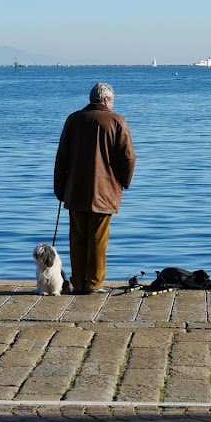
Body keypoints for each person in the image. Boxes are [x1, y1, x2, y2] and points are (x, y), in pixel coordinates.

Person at [53, 81, 136, 293]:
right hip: (104, 190)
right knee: (98, 238)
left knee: (77, 238)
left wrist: (60, 188)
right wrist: (123, 182)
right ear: (107, 100)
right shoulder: (117, 121)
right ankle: (94, 283)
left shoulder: (73, 119)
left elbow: (61, 157)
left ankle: (78, 282)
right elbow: (128, 158)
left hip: (75, 190)